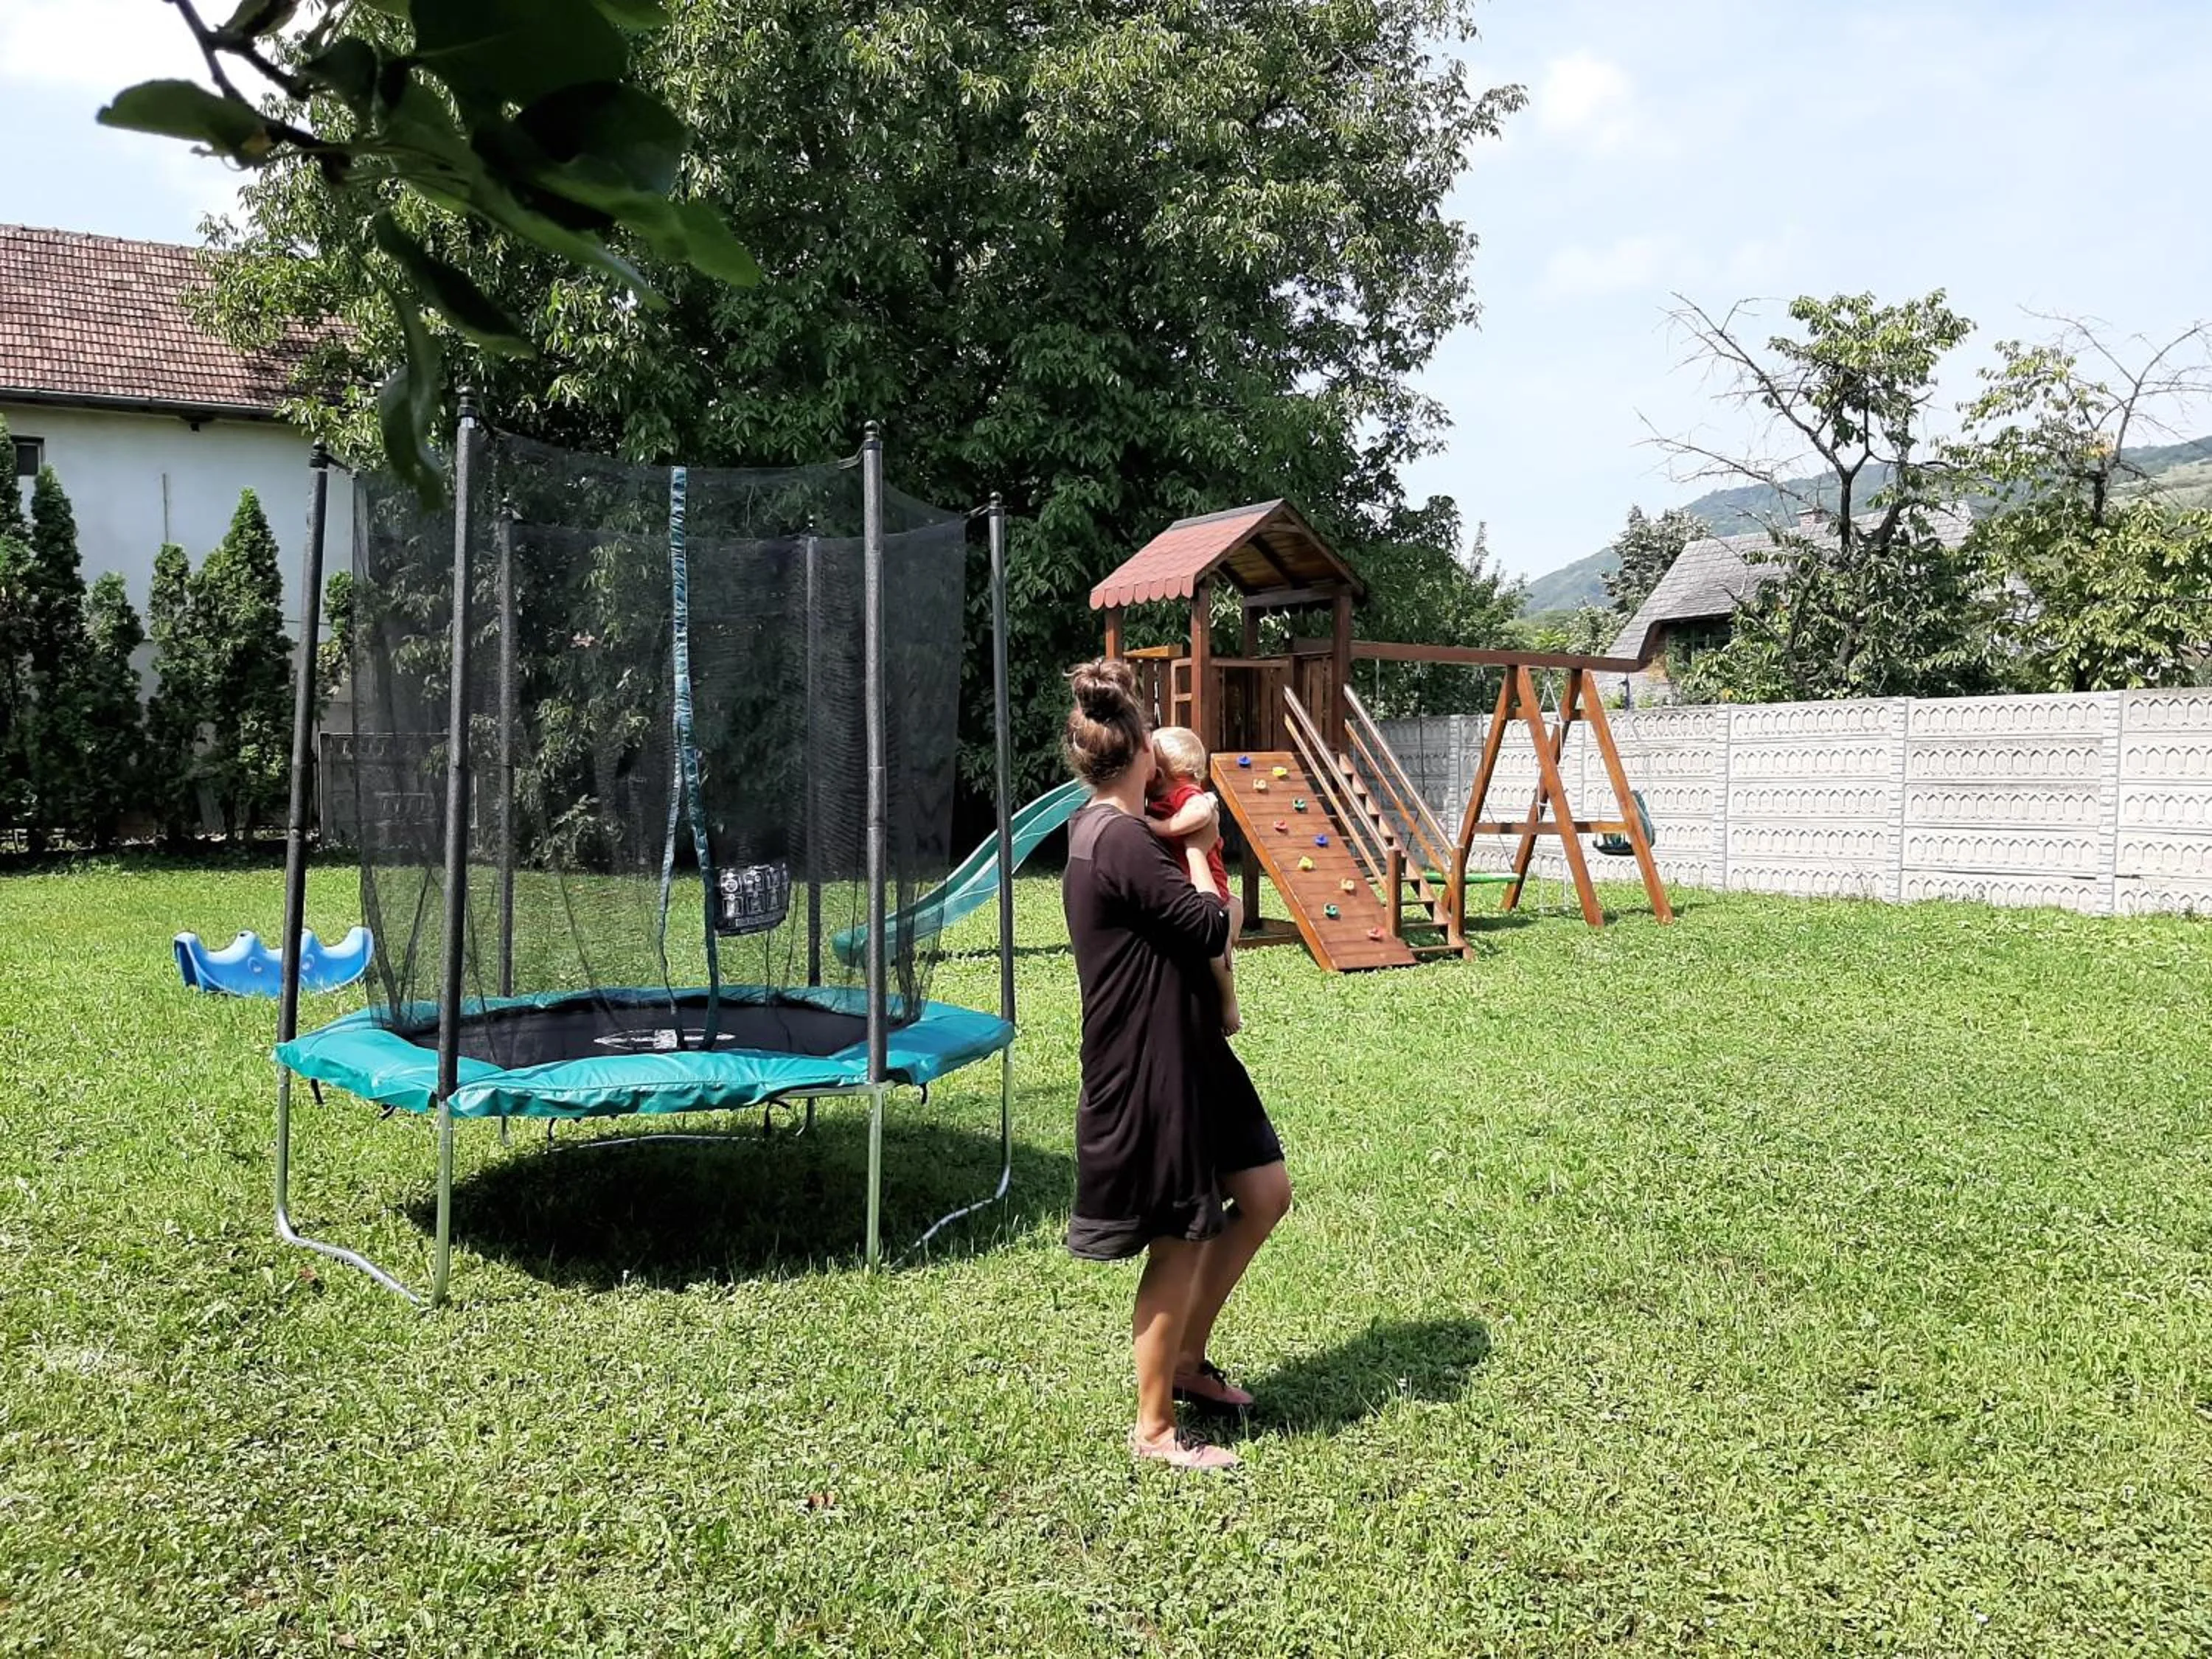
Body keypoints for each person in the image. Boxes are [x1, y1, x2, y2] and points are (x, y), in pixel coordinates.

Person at [1060, 660, 1293, 1473]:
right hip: (1151, 1066)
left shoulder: (1113, 832)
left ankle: (1189, 1363)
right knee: (1181, 1240)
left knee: (1264, 1192)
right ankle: (1156, 1429)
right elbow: (1210, 926)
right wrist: (1202, 843)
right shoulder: (1116, 836)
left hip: (1194, 1048)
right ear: (1144, 756)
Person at [1143, 725, 1242, 1035]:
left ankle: (1229, 1003)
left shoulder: (1185, 794)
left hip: (1208, 886)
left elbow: (1203, 810)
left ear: (1160, 774)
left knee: (1216, 945)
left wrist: (1161, 828)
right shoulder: (1162, 799)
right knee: (1229, 918)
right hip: (1193, 887)